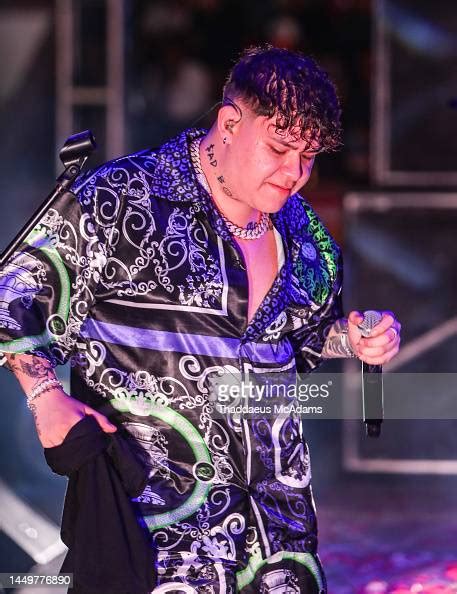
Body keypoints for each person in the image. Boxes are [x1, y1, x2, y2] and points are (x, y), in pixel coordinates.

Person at [0, 46, 400, 593]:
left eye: (308, 157)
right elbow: (14, 293)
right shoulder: (126, 198)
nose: (295, 174)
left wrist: (352, 339)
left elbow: (299, 340)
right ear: (230, 122)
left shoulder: (303, 231)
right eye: (280, 148)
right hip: (156, 530)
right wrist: (44, 395)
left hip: (276, 537)